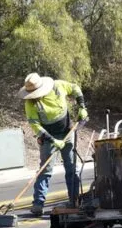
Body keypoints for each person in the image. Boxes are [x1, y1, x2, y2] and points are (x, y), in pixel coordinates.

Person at [19, 72, 88, 216]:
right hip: (48, 137)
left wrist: (82, 106)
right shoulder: (30, 103)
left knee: (71, 168)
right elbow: (36, 126)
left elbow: (75, 89)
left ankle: (74, 200)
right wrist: (52, 140)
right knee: (45, 170)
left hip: (67, 131)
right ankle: (38, 203)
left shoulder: (58, 86)